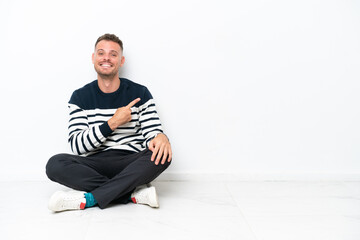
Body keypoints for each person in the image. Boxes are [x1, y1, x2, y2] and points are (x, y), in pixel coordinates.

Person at [46, 33, 172, 212]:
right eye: (101, 53)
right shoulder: (80, 97)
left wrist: (160, 138)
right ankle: (131, 194)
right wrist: (112, 123)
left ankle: (90, 199)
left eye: (113, 54)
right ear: (93, 58)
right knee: (55, 164)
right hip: (96, 165)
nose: (106, 58)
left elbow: (152, 133)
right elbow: (78, 145)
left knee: (163, 154)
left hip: (130, 162)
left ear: (121, 61)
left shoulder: (140, 93)